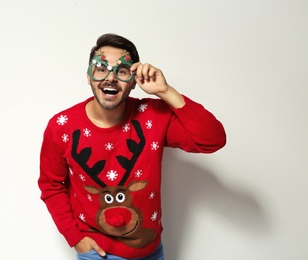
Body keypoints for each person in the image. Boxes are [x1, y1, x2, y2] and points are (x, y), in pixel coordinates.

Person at [38, 33, 226, 259]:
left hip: (151, 251)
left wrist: (166, 91)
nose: (110, 78)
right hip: (98, 253)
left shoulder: (154, 116)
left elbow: (212, 139)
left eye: (122, 71)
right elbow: (51, 185)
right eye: (100, 68)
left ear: (134, 80)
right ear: (89, 77)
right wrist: (75, 238)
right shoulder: (61, 127)